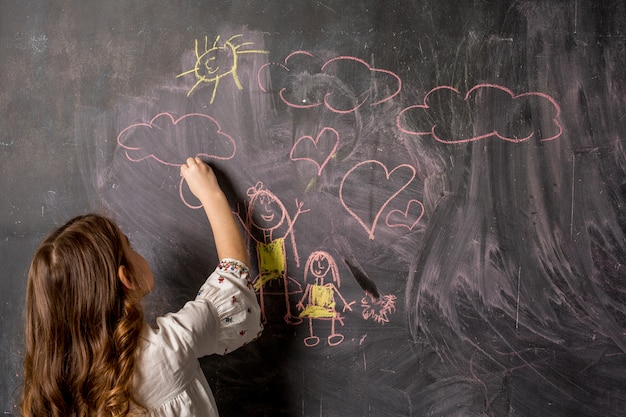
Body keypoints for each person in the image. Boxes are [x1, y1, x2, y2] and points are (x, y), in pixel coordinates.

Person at [20, 157, 263, 417]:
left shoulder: (53, 392)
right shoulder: (164, 350)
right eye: (130, 245)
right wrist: (211, 194)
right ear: (127, 278)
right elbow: (234, 283)